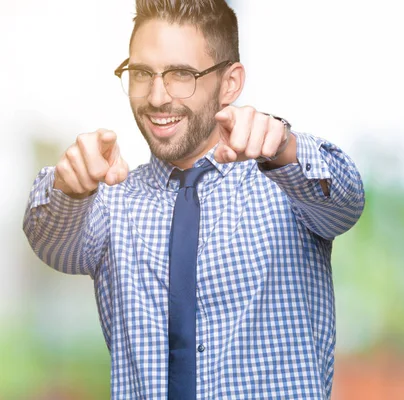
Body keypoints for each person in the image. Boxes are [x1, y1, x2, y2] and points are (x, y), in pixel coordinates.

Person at [23, 0, 364, 398]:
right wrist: (70, 187)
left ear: (230, 84)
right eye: (141, 73)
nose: (156, 96)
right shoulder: (111, 202)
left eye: (181, 74)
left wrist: (284, 147)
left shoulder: (285, 186)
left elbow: (346, 201)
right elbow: (51, 243)